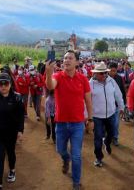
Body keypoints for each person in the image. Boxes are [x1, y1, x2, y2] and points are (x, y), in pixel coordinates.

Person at [45, 50, 93, 190]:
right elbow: (50, 86)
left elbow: (88, 101)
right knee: (61, 150)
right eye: (65, 58)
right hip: (61, 123)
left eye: (70, 58)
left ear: (77, 62)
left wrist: (90, 119)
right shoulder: (57, 76)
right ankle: (66, 159)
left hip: (78, 124)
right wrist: (48, 72)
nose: (66, 60)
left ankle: (76, 182)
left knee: (77, 155)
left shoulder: (83, 79)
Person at [0, 73, 24, 190]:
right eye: (0, 84)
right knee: (0, 157)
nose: (3, 86)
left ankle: (12, 170)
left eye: (5, 83)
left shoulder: (17, 98)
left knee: (11, 153)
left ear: (10, 84)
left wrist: (20, 130)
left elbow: (20, 116)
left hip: (11, 134)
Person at [90, 62, 124, 167]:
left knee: (111, 133)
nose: (104, 75)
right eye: (101, 73)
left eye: (105, 73)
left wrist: (121, 106)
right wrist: (87, 116)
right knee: (98, 137)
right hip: (97, 116)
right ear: (95, 73)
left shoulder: (111, 81)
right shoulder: (90, 84)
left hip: (111, 114)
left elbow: (118, 94)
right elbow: (86, 101)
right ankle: (98, 157)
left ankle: (107, 143)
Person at [109, 62, 126, 145]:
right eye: (111, 70)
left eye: (114, 71)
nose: (112, 72)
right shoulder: (104, 78)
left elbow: (122, 91)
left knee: (116, 123)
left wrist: (123, 104)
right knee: (107, 123)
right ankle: (107, 137)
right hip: (107, 106)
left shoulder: (119, 78)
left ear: (116, 70)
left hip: (116, 105)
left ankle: (115, 137)